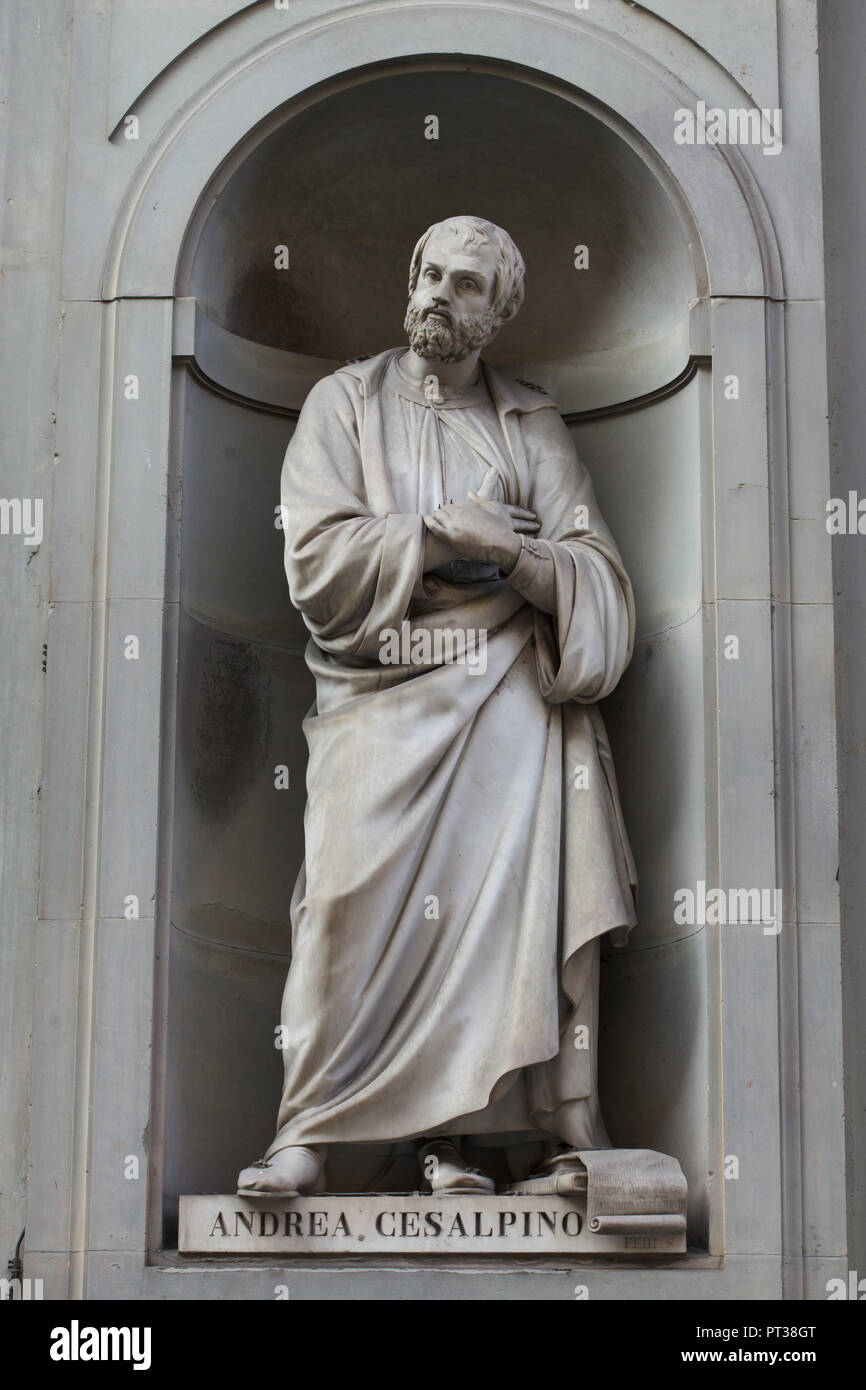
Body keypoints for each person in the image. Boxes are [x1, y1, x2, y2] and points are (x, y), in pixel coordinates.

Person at [238, 215, 637, 1198]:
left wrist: (509, 555)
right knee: (338, 901)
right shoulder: (343, 403)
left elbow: (598, 581)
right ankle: (311, 1127)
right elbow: (315, 557)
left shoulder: (527, 424)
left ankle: (463, 1141)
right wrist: (425, 533)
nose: (437, 294)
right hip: (374, 692)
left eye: (465, 285)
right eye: (428, 273)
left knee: (490, 910)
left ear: (497, 311)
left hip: (500, 683)